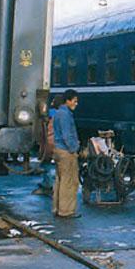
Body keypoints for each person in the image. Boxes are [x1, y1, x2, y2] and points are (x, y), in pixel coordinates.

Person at [52, 89, 81, 217]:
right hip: (65, 152)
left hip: (59, 150)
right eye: (74, 101)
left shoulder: (58, 113)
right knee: (69, 182)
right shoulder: (65, 115)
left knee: (60, 180)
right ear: (68, 101)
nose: (76, 104)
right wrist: (74, 149)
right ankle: (66, 211)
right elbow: (67, 135)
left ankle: (57, 208)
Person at [34, 95, 62, 195]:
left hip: (50, 142)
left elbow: (46, 130)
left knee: (46, 164)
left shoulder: (51, 113)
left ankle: (48, 185)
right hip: (60, 144)